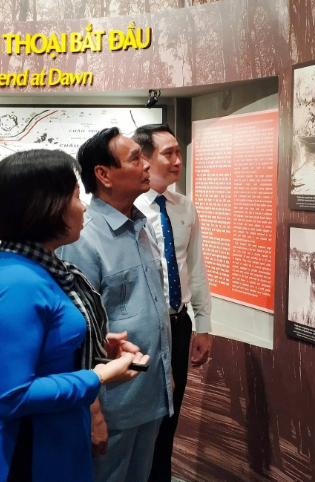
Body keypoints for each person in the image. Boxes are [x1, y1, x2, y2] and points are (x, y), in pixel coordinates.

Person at [0, 149, 148, 482]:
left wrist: (93, 347)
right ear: (43, 207)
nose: (83, 207)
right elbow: (10, 396)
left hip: (52, 440)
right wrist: (98, 376)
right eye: (74, 197)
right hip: (24, 451)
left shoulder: (39, 268)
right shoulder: (19, 283)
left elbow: (43, 345)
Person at [57, 128, 174, 482]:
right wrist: (93, 413)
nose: (146, 164)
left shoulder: (142, 225)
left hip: (150, 391)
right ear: (103, 174)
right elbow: (76, 334)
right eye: (135, 158)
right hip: (112, 402)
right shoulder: (83, 237)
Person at [132, 124, 212, 482]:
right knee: (140, 423)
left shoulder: (184, 207)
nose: (178, 160)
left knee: (170, 419)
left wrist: (203, 324)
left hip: (179, 325)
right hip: (143, 330)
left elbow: (196, 268)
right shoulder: (128, 210)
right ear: (146, 159)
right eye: (169, 153)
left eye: (179, 152)